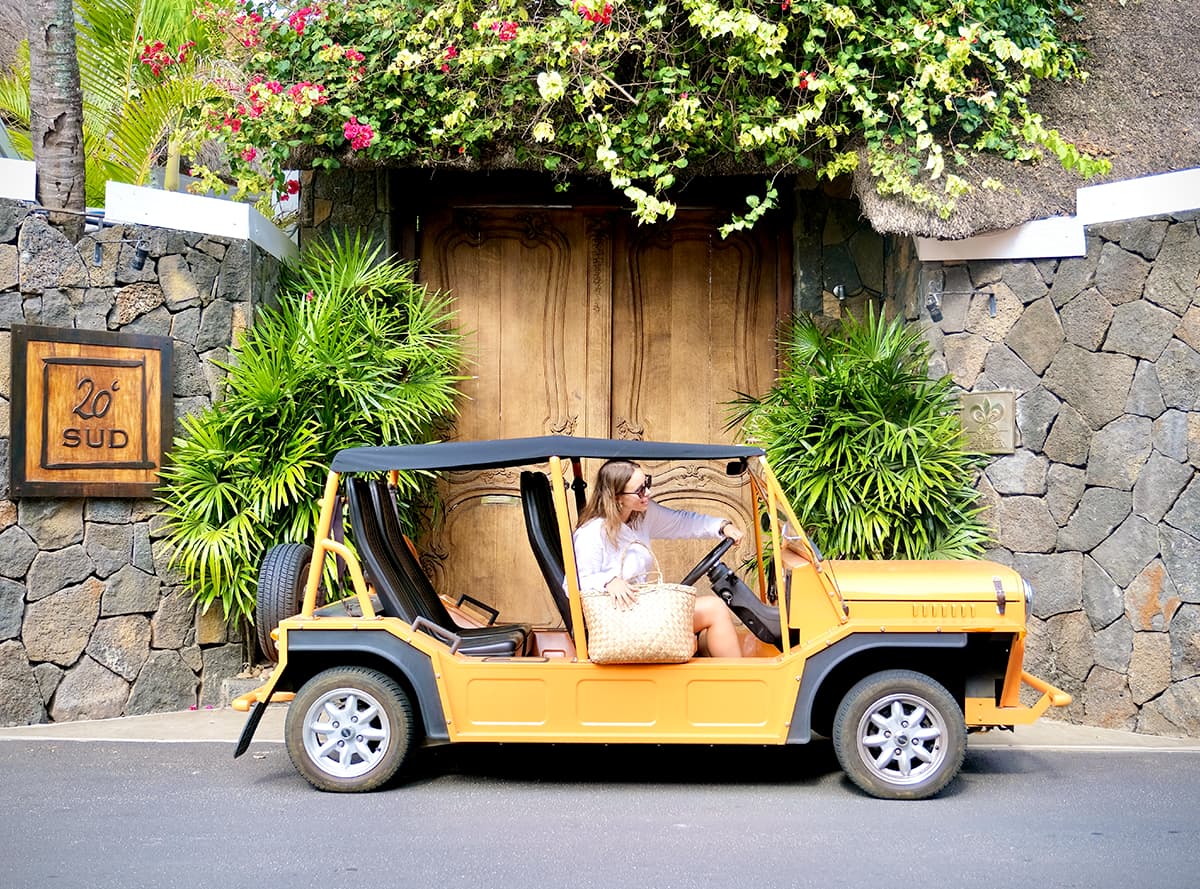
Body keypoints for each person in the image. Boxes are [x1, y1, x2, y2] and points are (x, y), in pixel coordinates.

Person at [573, 459, 745, 658]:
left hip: (643, 607)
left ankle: (722, 674)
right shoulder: (591, 533)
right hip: (618, 619)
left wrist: (722, 526)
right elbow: (573, 584)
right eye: (639, 490)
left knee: (707, 633)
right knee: (715, 609)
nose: (648, 492)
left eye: (647, 483)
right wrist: (607, 581)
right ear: (617, 497)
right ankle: (741, 678)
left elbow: (681, 523)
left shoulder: (641, 515)